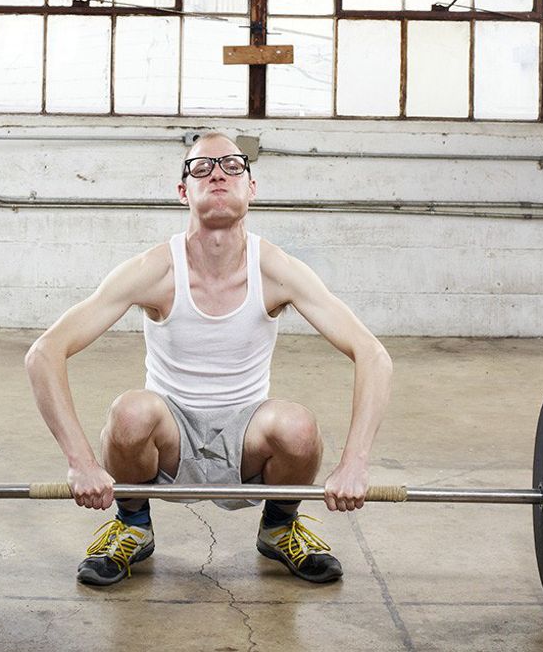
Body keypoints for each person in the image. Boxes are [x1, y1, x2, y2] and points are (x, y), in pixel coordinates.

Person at [25, 132, 393, 586]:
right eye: (202, 168)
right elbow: (44, 353)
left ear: (251, 188)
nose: (218, 174)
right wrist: (81, 462)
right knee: (130, 412)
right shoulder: (155, 270)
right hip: (169, 436)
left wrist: (355, 462)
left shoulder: (276, 270)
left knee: (298, 426)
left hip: (246, 436)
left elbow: (372, 355)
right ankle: (132, 525)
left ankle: (279, 527)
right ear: (184, 191)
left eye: (232, 166)